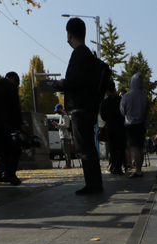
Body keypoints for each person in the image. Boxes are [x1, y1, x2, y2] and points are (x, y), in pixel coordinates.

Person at [57, 17, 103, 194]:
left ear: (69, 34)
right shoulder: (88, 54)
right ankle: (94, 183)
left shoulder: (79, 53)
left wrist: (63, 84)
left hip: (80, 108)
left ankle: (93, 184)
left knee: (84, 148)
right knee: (88, 147)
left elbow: (77, 81)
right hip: (89, 107)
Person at [0, 71, 23, 185]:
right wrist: (20, 124)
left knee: (2, 152)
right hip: (8, 125)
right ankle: (10, 174)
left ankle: (3, 173)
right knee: (15, 149)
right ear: (14, 79)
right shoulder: (11, 87)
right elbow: (15, 107)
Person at [120, 73, 148, 178]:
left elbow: (122, 111)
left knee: (134, 147)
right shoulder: (144, 95)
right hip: (142, 124)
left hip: (131, 124)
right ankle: (139, 168)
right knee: (140, 147)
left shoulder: (127, 96)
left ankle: (138, 171)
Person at [99, 80, 126, 175]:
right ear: (114, 88)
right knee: (121, 148)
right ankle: (119, 167)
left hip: (110, 127)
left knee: (113, 148)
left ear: (106, 90)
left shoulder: (105, 102)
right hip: (121, 126)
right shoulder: (121, 100)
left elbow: (103, 117)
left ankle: (113, 166)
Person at [52, 103, 73, 169]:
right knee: (65, 151)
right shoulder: (62, 116)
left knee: (66, 151)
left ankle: (68, 164)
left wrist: (57, 124)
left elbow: (66, 125)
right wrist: (56, 125)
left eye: (58, 110)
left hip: (65, 136)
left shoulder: (65, 116)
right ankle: (67, 163)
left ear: (61, 109)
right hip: (62, 135)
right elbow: (61, 126)